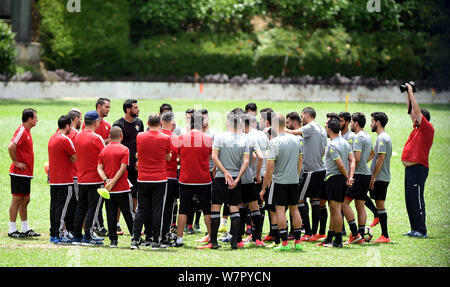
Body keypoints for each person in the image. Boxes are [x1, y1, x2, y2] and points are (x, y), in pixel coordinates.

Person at [260, 113, 304, 251]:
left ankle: (284, 243)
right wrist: (295, 175)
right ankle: (298, 242)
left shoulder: (274, 142)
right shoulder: (297, 140)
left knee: (280, 211)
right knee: (294, 209)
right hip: (293, 180)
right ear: (284, 123)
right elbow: (300, 161)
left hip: (279, 181)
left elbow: (270, 167)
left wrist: (264, 187)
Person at [285, 107, 327, 242]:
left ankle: (308, 233)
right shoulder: (321, 129)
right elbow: (323, 151)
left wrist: (278, 129)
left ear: (307, 115)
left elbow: (293, 132)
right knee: (315, 200)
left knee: (299, 199)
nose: (301, 118)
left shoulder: (310, 127)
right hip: (320, 169)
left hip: (311, 171)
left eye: (302, 116)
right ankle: (314, 233)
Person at [209, 112, 250, 249]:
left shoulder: (220, 137)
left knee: (216, 208)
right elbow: (246, 161)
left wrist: (225, 172)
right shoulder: (245, 140)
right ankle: (234, 242)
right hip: (235, 179)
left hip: (221, 177)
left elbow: (214, 157)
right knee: (234, 209)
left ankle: (213, 242)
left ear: (227, 124)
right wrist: (237, 178)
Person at [131, 113, 171, 250]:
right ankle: (156, 241)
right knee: (158, 210)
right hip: (159, 178)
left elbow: (139, 153)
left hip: (143, 178)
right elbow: (168, 156)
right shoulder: (165, 137)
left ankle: (135, 239)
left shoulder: (140, 136)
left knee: (141, 209)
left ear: (147, 124)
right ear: (160, 123)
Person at [175, 110, 213, 248]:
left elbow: (177, 157)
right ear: (201, 123)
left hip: (186, 178)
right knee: (207, 210)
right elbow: (210, 157)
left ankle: (179, 238)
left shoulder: (181, 138)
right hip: (204, 179)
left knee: (183, 209)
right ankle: (211, 237)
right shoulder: (208, 139)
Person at [401, 83, 434, 238]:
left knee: (417, 199)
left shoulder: (427, 129)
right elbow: (410, 111)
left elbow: (415, 110)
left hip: (419, 169)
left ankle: (421, 230)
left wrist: (412, 92)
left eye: (416, 117)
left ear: (423, 119)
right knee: (410, 199)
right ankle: (414, 228)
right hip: (410, 169)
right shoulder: (416, 129)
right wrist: (408, 92)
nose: (413, 118)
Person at [318, 117, 355, 248]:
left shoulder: (332, 145)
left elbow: (340, 164)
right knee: (333, 209)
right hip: (339, 179)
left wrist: (347, 177)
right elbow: (352, 160)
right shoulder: (345, 142)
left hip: (335, 178)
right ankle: (329, 237)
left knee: (336, 210)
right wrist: (350, 176)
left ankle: (338, 240)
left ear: (329, 129)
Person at [72, 111, 106, 246]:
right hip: (95, 179)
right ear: (96, 122)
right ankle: (88, 236)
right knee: (93, 208)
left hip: (82, 178)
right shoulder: (97, 138)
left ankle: (76, 236)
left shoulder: (78, 136)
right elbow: (105, 156)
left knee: (81, 207)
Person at [97, 126, 135, 248]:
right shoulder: (124, 149)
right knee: (128, 213)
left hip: (108, 190)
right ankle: (135, 237)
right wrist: (113, 182)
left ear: (109, 137)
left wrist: (105, 180)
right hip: (122, 188)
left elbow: (99, 168)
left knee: (110, 214)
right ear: (121, 136)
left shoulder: (103, 150)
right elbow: (123, 168)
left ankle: (113, 241)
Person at [112, 99, 144, 235]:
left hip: (136, 166)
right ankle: (117, 225)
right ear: (127, 110)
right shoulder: (119, 124)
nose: (138, 110)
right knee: (120, 195)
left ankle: (136, 224)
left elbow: (141, 142)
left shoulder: (139, 123)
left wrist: (139, 159)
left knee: (136, 194)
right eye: (135, 108)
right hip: (123, 166)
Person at [8, 108, 41, 238]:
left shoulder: (27, 131)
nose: (37, 120)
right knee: (17, 199)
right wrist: (16, 163)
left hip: (26, 173)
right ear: (29, 119)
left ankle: (25, 228)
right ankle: (12, 230)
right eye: (35, 117)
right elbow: (11, 146)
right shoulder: (22, 131)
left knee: (25, 199)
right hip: (18, 173)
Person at [341, 112, 373, 244]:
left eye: (352, 122)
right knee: (360, 205)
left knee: (343, 204)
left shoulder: (358, 137)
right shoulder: (367, 135)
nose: (351, 125)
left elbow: (357, 158)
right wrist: (365, 163)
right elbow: (372, 152)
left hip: (359, 176)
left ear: (356, 123)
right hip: (366, 174)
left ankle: (354, 234)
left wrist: (351, 175)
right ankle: (360, 235)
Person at [48, 115, 77, 244]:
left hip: (54, 179)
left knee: (54, 207)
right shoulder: (65, 139)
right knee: (62, 208)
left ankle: (54, 234)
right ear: (67, 126)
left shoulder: (52, 138)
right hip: (65, 180)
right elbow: (74, 157)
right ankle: (59, 234)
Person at [239, 113, 264, 247]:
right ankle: (258, 238)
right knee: (255, 207)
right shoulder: (258, 136)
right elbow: (259, 157)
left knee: (239, 206)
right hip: (250, 177)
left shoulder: (240, 138)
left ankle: (238, 237)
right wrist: (257, 174)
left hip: (239, 177)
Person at [369, 112, 393, 243]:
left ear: (378, 122)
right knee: (359, 193)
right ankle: (376, 215)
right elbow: (374, 154)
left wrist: (373, 176)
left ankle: (385, 236)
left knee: (380, 205)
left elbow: (381, 158)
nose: (371, 124)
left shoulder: (382, 138)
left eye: (372, 121)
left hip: (381, 177)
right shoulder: (381, 137)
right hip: (380, 177)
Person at [160, 111, 180, 244]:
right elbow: (179, 159)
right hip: (171, 176)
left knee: (155, 207)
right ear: (172, 123)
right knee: (168, 209)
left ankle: (153, 234)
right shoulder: (175, 139)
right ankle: (164, 235)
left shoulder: (156, 136)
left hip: (156, 177)